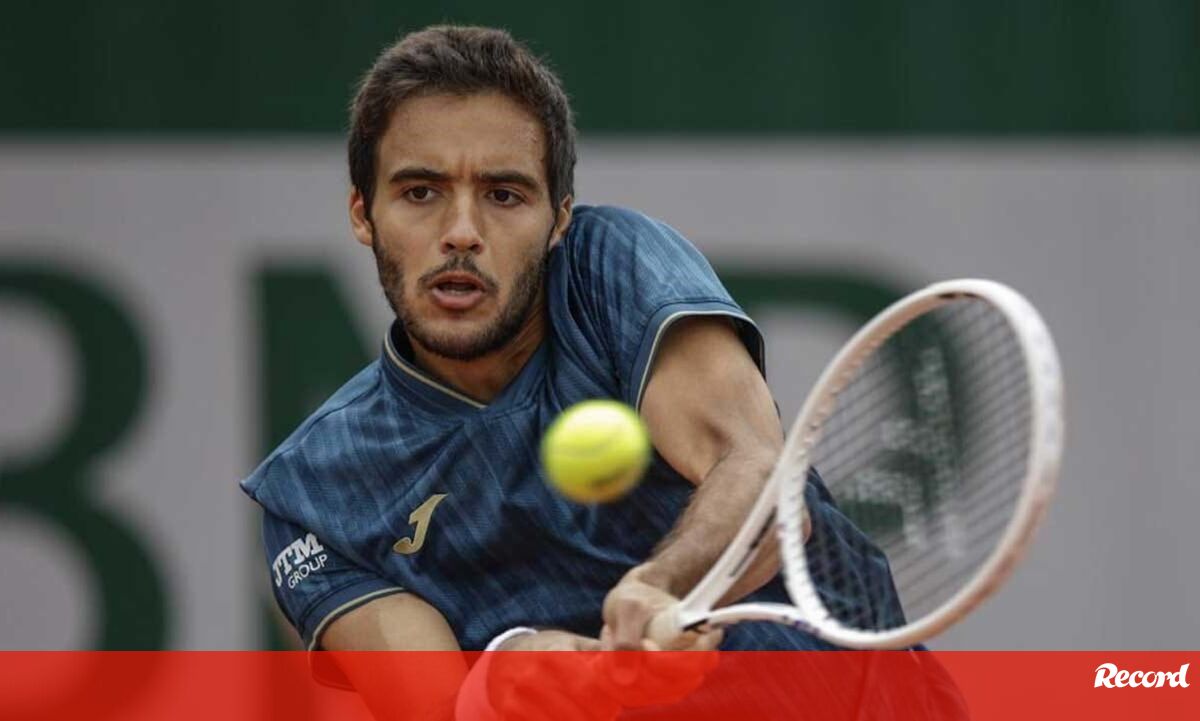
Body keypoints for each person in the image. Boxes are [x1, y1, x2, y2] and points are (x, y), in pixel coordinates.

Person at [240, 25, 932, 721]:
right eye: (421, 192)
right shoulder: (316, 490)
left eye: (504, 195)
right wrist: (519, 671)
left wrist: (660, 584)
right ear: (363, 213)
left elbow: (758, 474)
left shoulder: (611, 270)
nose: (461, 232)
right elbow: (438, 708)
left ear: (559, 219)